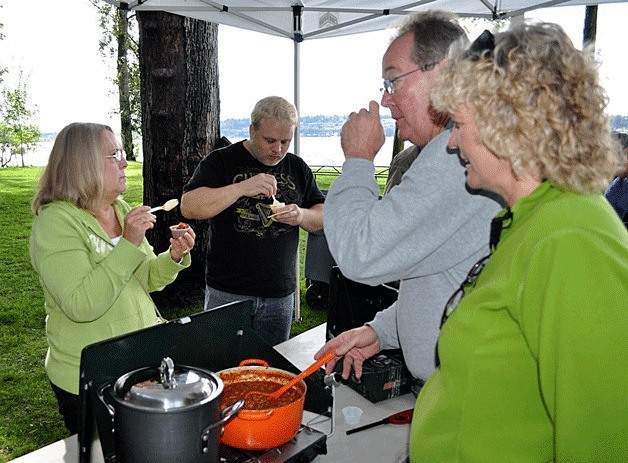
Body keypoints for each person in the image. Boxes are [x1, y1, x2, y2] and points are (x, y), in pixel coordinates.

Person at [409, 23, 628, 461]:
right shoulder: (532, 218)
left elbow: (602, 439)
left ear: (507, 125)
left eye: (459, 124)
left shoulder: (570, 238)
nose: (452, 142)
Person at [314, 11, 503, 383]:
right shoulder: (453, 152)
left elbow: (360, 253)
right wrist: (383, 330)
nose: (385, 100)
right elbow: (446, 276)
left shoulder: (451, 158)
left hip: (466, 394)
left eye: (393, 81)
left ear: (446, 73)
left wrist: (357, 160)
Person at [30, 122, 195, 434]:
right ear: (84, 165)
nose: (124, 161)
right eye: (114, 154)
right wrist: (128, 243)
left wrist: (173, 257)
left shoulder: (119, 209)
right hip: (90, 375)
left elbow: (147, 279)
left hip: (138, 360)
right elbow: (81, 305)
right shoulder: (56, 223)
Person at [181, 96, 325, 346]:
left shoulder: (297, 167)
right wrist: (240, 188)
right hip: (227, 292)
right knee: (221, 365)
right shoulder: (222, 161)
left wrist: (301, 215)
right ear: (251, 130)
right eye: (270, 140)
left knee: (270, 369)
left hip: (280, 295)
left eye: (285, 141)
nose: (278, 149)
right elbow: (189, 206)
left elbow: (322, 216)